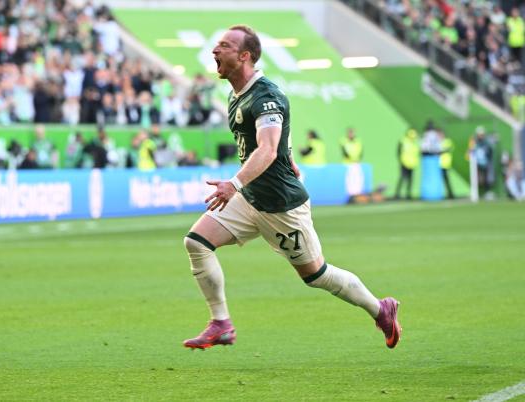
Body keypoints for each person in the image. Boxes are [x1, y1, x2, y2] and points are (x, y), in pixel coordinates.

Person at [182, 25, 401, 350]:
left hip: (282, 206)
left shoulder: (266, 96)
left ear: (244, 56)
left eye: (224, 46)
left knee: (317, 276)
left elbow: (268, 149)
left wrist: (234, 183)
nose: (215, 51)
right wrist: (287, 157)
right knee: (197, 242)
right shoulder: (235, 94)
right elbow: (275, 141)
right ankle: (221, 324)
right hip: (251, 197)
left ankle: (380, 309)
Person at [394, 129, 420, 200]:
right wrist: (402, 161)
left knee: (410, 180)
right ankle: (397, 194)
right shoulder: (403, 141)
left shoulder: (415, 142)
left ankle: (408, 194)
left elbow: (417, 153)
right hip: (404, 163)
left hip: (412, 164)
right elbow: (399, 152)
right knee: (402, 178)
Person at [438, 128, 455, 199]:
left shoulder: (447, 141)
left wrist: (441, 151)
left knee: (446, 180)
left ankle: (450, 194)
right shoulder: (437, 142)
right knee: (440, 180)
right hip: (438, 164)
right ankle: (441, 194)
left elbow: (449, 148)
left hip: (445, 164)